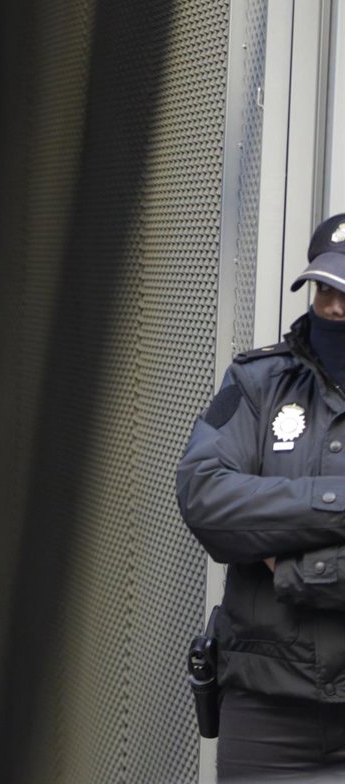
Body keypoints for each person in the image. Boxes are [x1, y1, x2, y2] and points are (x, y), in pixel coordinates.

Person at [177, 213, 345, 780]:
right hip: (266, 710)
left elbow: (246, 508)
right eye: (324, 291)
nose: (334, 309)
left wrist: (293, 569)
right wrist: (337, 501)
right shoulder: (258, 382)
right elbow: (206, 498)